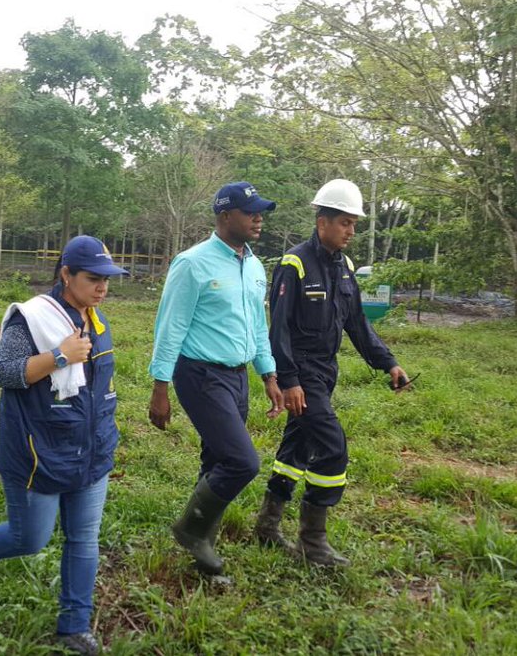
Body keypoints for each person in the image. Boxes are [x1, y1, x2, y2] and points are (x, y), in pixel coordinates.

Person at [0, 235, 128, 656]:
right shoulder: (31, 318)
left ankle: (74, 626)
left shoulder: (97, 321)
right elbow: (4, 373)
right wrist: (60, 356)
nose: (102, 287)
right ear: (66, 274)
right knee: (30, 538)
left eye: (108, 279)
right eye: (93, 278)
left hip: (90, 448)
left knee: (84, 540)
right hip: (37, 448)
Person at [256, 179, 411, 567]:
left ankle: (267, 525)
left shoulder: (344, 268)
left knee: (296, 448)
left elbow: (357, 323)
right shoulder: (294, 264)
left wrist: (387, 362)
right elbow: (278, 329)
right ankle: (313, 542)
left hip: (326, 372)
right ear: (322, 221)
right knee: (332, 447)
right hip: (302, 374)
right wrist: (288, 380)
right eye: (345, 222)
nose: (351, 231)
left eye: (354, 224)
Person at [148, 181, 285, 578]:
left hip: (237, 375)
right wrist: (161, 387)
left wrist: (268, 373)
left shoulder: (255, 265)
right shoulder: (193, 263)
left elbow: (259, 326)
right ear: (226, 216)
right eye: (251, 212)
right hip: (200, 374)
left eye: (261, 211)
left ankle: (200, 547)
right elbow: (170, 326)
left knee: (216, 460)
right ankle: (191, 531)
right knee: (243, 462)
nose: (259, 219)